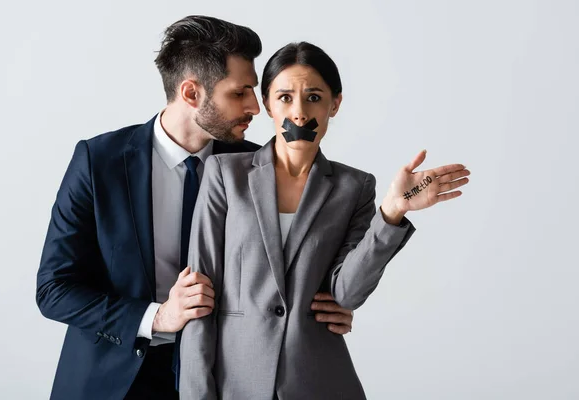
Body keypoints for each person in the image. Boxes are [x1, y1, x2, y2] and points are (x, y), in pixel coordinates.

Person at [36, 17, 355, 400]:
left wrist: (324, 309)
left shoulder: (259, 168)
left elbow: (286, 271)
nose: (256, 106)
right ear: (191, 93)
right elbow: (54, 289)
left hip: (225, 377)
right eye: (240, 93)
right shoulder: (98, 161)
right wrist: (156, 317)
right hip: (114, 378)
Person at [179, 41, 470, 399]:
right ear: (267, 102)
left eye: (314, 97)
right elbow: (199, 298)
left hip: (318, 381)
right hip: (236, 383)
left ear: (335, 104)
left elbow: (346, 294)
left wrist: (392, 212)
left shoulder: (354, 187)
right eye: (285, 97)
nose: (300, 113)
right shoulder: (224, 175)